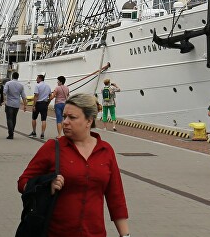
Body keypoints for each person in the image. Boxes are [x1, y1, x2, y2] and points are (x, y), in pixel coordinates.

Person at [18, 93, 130, 237]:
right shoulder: (53, 147)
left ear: (89, 121)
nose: (65, 122)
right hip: (56, 232)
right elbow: (23, 182)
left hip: (94, 233)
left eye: (72, 117)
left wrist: (125, 234)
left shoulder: (105, 151)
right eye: (64, 116)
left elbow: (116, 198)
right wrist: (46, 186)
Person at [3, 72, 25, 139]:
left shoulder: (8, 83)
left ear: (12, 76)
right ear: (18, 77)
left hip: (9, 103)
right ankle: (12, 131)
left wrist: (3, 100)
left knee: (9, 118)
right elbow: (23, 96)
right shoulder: (21, 85)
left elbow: (4, 92)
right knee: (14, 118)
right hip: (16, 104)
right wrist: (25, 105)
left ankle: (10, 133)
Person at [31, 74, 52, 138]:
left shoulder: (37, 86)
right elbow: (50, 97)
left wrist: (33, 105)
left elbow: (36, 96)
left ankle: (34, 132)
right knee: (43, 119)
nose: (36, 79)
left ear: (40, 79)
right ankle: (42, 134)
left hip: (38, 103)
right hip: (44, 104)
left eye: (37, 78)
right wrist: (48, 103)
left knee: (34, 118)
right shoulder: (48, 86)